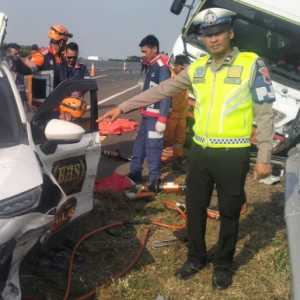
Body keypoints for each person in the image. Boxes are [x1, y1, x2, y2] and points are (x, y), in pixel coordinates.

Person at [99, 7, 274, 289]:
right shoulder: (198, 68)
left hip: (234, 154)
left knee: (229, 212)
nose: (214, 39)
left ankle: (224, 264)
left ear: (230, 33)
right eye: (208, 35)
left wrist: (264, 155)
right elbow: (162, 89)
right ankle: (196, 257)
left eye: (218, 33)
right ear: (203, 39)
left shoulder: (252, 64)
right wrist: (122, 106)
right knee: (195, 207)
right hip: (201, 153)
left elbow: (266, 112)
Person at [128, 34, 171, 191]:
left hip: (155, 118)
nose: (143, 54)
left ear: (154, 49)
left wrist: (163, 118)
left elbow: (166, 93)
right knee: (139, 146)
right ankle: (135, 173)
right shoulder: (151, 65)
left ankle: (154, 180)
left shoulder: (162, 67)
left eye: (145, 51)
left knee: (153, 148)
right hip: (146, 116)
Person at [164, 54, 190, 171]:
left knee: (180, 140)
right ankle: (163, 161)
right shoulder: (169, 77)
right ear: (177, 66)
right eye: (183, 68)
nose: (185, 70)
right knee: (167, 139)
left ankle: (177, 161)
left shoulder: (185, 78)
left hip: (182, 115)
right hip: (171, 115)